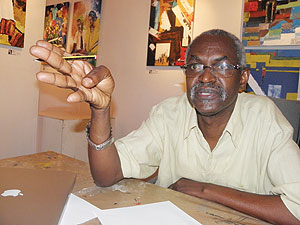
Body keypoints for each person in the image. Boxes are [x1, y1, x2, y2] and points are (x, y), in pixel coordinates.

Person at [29, 29, 300, 225]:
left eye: (222, 66)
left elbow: (295, 210)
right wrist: (101, 110)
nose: (206, 77)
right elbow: (106, 175)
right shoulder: (170, 112)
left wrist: (206, 190)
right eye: (195, 65)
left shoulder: (265, 118)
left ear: (243, 78)